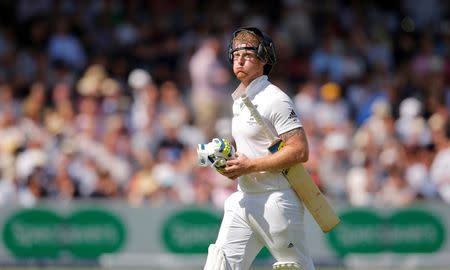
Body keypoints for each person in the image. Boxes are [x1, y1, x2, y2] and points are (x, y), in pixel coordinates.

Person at [203, 27, 315, 270]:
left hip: (276, 199)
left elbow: (299, 151)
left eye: (248, 54)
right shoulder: (239, 101)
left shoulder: (276, 99)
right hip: (243, 199)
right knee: (218, 265)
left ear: (264, 58)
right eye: (235, 54)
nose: (239, 60)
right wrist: (230, 164)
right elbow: (252, 150)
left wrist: (250, 165)